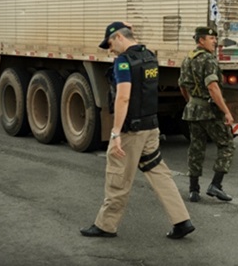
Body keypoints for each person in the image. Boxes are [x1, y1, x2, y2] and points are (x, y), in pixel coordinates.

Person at [80, 21, 195, 239]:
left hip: (131, 131)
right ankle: (182, 220)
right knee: (158, 172)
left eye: (110, 43)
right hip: (150, 127)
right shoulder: (149, 56)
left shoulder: (124, 62)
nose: (110, 49)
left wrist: (115, 133)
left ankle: (106, 226)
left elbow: (123, 97)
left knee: (118, 177)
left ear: (120, 37)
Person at [178, 26, 236, 203]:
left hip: (192, 110)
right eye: (211, 39)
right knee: (226, 145)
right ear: (201, 40)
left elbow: (181, 85)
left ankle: (193, 190)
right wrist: (226, 111)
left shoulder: (188, 59)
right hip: (209, 112)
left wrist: (192, 101)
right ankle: (216, 185)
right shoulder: (208, 60)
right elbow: (213, 87)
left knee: (196, 148)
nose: (215, 42)